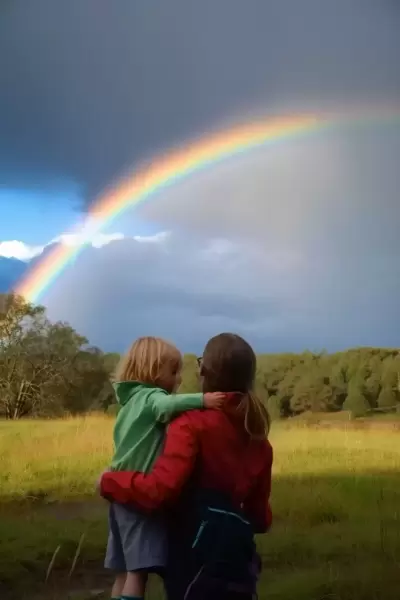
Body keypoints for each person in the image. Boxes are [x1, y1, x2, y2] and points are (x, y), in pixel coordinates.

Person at [100, 333, 273, 600]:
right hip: (237, 558)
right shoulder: (261, 442)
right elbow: (260, 519)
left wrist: (109, 482)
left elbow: (158, 491)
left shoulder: (190, 424)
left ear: (203, 370)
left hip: (192, 553)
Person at [104, 336, 226, 600]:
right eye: (173, 371)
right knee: (138, 573)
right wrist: (204, 400)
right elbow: (167, 405)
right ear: (153, 370)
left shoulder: (129, 403)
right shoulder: (152, 397)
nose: (179, 379)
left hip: (118, 494)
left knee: (122, 572)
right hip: (137, 495)